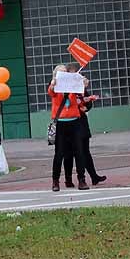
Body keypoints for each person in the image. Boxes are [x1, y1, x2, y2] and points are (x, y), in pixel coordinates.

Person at [48, 63, 89, 192]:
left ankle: (82, 180)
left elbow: (81, 92)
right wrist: (54, 83)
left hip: (74, 122)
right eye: (60, 73)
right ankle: (55, 181)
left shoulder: (72, 86)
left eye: (64, 73)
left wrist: (83, 83)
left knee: (79, 151)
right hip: (61, 123)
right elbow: (51, 91)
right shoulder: (55, 88)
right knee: (59, 153)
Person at [65, 74, 105, 188]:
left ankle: (93, 176)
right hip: (69, 123)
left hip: (82, 123)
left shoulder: (81, 89)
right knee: (70, 153)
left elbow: (88, 102)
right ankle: (69, 179)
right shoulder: (65, 90)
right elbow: (67, 104)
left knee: (85, 151)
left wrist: (86, 106)